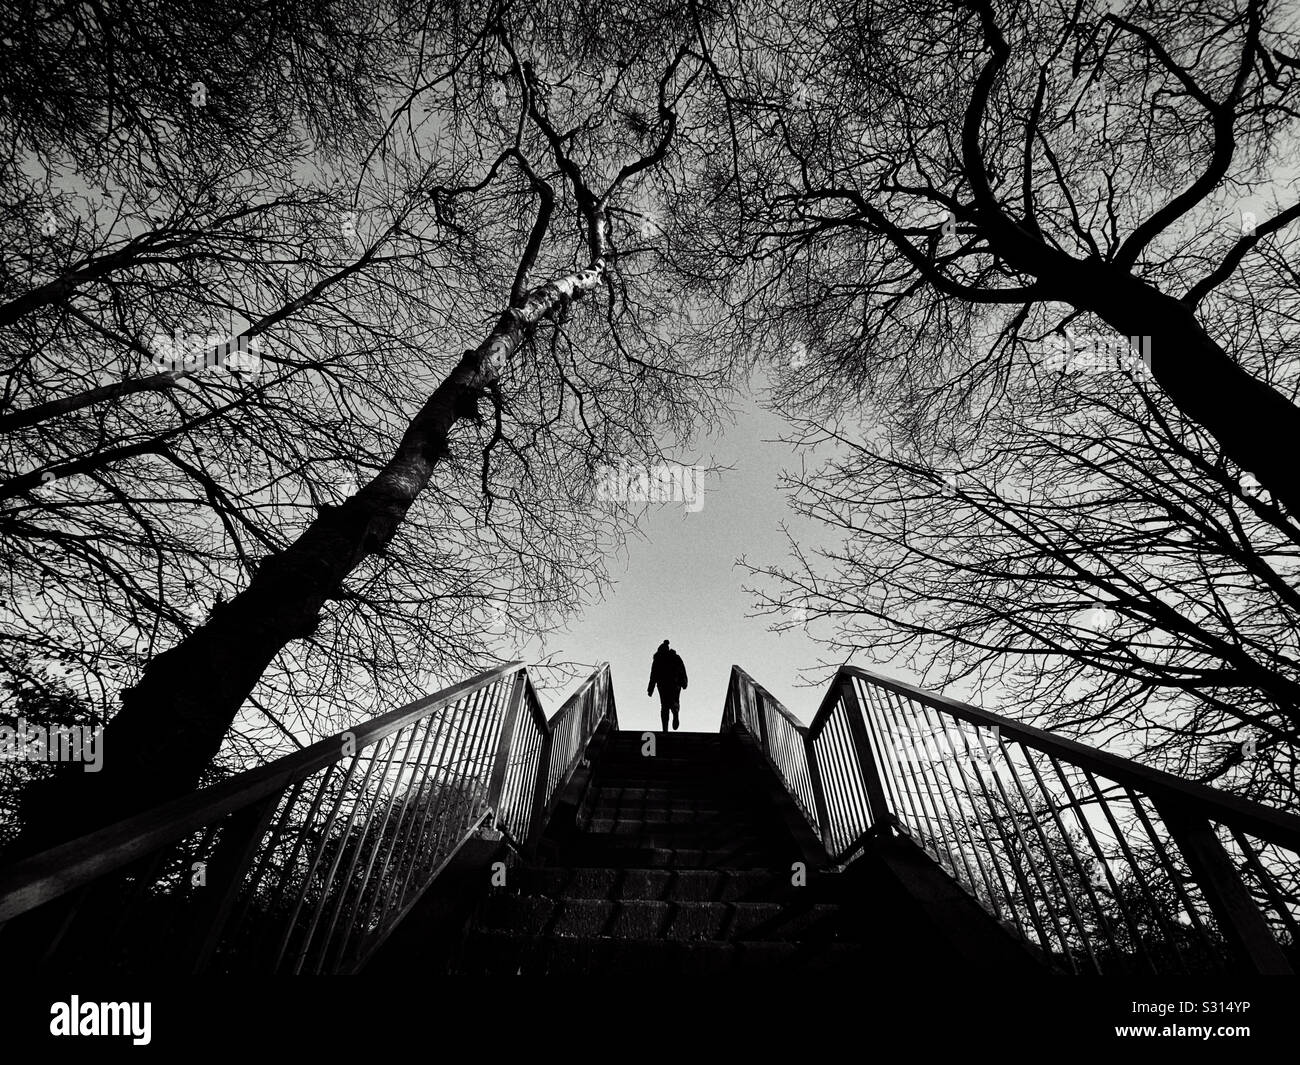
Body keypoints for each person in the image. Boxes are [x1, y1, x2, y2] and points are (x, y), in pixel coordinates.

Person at [647, 639, 688, 732]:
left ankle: (665, 729)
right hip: (675, 683)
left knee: (664, 706)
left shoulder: (658, 659)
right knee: (675, 701)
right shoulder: (676, 657)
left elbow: (653, 675)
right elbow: (682, 670)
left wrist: (650, 689)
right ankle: (675, 712)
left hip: (662, 685)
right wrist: (684, 682)